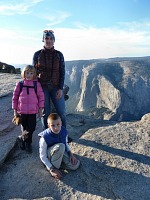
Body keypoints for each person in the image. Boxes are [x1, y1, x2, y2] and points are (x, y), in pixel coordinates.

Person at [32, 29, 72, 142]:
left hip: (55, 87)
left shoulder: (59, 55)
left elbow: (62, 72)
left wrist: (60, 88)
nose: (48, 41)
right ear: (43, 40)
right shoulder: (37, 55)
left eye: (51, 39)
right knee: (46, 113)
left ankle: (64, 135)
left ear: (54, 41)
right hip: (42, 87)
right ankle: (47, 136)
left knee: (62, 112)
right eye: (46, 38)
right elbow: (34, 73)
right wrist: (36, 90)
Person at [12, 65, 44, 153]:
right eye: (27, 73)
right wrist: (15, 111)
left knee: (32, 128)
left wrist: (40, 110)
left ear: (34, 74)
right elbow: (15, 98)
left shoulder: (36, 84)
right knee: (24, 128)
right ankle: (27, 144)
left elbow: (41, 97)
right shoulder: (20, 84)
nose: (29, 75)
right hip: (22, 111)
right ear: (24, 73)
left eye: (31, 73)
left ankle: (20, 138)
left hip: (32, 111)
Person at [38, 113, 80, 179]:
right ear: (48, 126)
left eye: (58, 124)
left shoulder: (64, 131)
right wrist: (51, 169)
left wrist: (70, 154)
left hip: (60, 151)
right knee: (61, 146)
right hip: (50, 155)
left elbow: (65, 143)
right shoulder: (44, 137)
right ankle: (52, 167)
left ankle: (59, 165)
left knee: (75, 165)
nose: (56, 128)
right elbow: (42, 156)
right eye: (53, 125)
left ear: (61, 123)